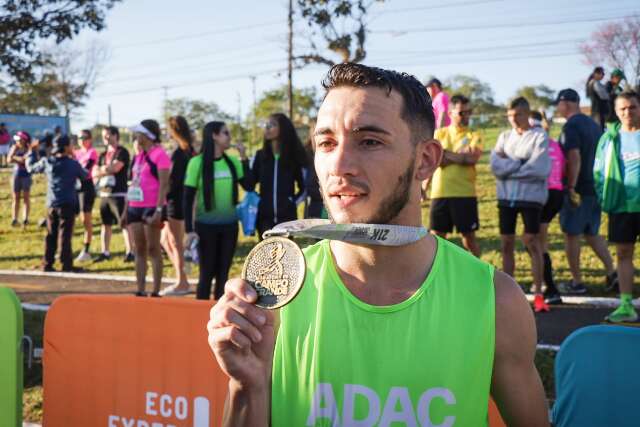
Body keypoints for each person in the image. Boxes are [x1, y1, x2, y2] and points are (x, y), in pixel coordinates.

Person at [207, 63, 549, 426]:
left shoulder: (495, 301)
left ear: (426, 159)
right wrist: (247, 385)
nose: (339, 164)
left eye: (369, 141)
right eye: (326, 143)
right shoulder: (274, 295)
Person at [554, 88, 618, 295]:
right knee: (591, 233)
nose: (558, 108)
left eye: (559, 104)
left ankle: (576, 282)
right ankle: (612, 272)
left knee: (571, 234)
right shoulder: (592, 124)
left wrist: (571, 187)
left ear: (566, 103)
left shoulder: (571, 126)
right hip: (595, 187)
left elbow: (574, 157)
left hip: (579, 188)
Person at [490, 97, 551, 313]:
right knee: (506, 243)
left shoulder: (539, 136)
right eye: (510, 116)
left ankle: (538, 294)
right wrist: (520, 163)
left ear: (527, 114)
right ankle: (509, 293)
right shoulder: (504, 137)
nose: (513, 120)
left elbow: (540, 169)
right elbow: (495, 166)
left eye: (517, 115)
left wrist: (509, 166)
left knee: (532, 242)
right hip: (506, 198)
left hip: (530, 199)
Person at [183, 121, 252, 300]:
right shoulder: (196, 163)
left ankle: (220, 318)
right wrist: (189, 231)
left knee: (223, 275)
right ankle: (200, 316)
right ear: (214, 135)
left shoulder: (233, 162)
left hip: (229, 227)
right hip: (205, 227)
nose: (229, 137)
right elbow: (188, 197)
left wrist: (244, 157)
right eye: (225, 133)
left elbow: (249, 185)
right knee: (206, 275)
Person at [594, 91, 640, 322]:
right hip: (621, 206)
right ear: (616, 111)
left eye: (632, 107)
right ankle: (625, 304)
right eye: (622, 108)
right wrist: (604, 197)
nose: (627, 112)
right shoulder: (610, 138)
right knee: (623, 253)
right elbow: (599, 171)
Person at [429, 94, 483, 256]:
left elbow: (472, 158)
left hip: (465, 193)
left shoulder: (475, 133)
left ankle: (478, 276)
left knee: (469, 239)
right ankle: (439, 277)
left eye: (469, 112)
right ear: (451, 113)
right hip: (440, 193)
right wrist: (461, 157)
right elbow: (436, 160)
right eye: (461, 113)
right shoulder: (439, 134)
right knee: (437, 239)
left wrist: (445, 154)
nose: (466, 116)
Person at [27, 135, 87, 272]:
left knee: (51, 234)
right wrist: (75, 157)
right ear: (66, 147)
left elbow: (31, 168)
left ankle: (47, 263)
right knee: (65, 235)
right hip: (67, 203)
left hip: (51, 204)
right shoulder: (72, 164)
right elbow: (84, 175)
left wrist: (31, 152)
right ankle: (66, 264)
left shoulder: (48, 161)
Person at [124, 120, 171, 297]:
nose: (136, 137)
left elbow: (164, 184)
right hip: (135, 207)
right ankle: (140, 289)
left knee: (153, 248)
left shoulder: (160, 155)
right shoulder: (139, 156)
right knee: (139, 248)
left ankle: (156, 290)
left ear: (148, 136)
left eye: (139, 134)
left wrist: (159, 210)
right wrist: (125, 209)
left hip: (152, 207)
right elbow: (133, 184)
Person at [251, 113, 306, 238]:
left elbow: (304, 187)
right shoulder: (260, 156)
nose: (267, 128)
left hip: (288, 219)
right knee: (265, 254)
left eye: (272, 124)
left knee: (286, 255)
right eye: (266, 125)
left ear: (283, 128)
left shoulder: (293, 156)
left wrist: (291, 202)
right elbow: (250, 185)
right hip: (264, 218)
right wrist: (261, 201)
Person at [529, 111, 564, 305]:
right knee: (538, 241)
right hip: (558, 192)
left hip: (542, 192)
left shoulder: (534, 142)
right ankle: (545, 285)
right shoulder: (553, 142)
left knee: (537, 243)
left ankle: (549, 288)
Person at [159, 116, 195, 296]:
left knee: (175, 241)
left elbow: (170, 179)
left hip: (177, 200)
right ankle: (182, 277)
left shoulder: (180, 152)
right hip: (175, 200)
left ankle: (182, 281)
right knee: (165, 240)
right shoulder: (187, 150)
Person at [93, 126, 134, 263]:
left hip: (119, 194)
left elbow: (116, 168)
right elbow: (94, 172)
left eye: (108, 135)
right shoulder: (103, 155)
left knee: (124, 224)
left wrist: (103, 169)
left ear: (116, 136)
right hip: (104, 194)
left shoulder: (122, 152)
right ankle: (105, 252)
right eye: (104, 135)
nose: (105, 138)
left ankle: (130, 252)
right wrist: (105, 169)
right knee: (105, 224)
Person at [74, 129, 99, 262]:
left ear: (90, 139)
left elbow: (86, 169)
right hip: (75, 187)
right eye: (79, 138)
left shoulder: (92, 152)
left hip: (86, 187)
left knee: (85, 219)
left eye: (85, 137)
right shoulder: (76, 153)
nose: (82, 140)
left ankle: (86, 249)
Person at [8, 131, 35, 227]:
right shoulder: (14, 147)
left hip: (26, 176)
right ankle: (14, 219)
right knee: (16, 198)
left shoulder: (29, 149)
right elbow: (9, 159)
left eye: (19, 139)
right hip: (16, 175)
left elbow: (30, 159)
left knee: (26, 198)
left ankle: (25, 219)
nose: (18, 141)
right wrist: (20, 159)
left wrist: (17, 158)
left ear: (24, 140)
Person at [586, 66, 609, 130]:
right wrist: (609, 95)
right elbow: (604, 96)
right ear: (596, 74)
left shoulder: (591, 82)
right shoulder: (595, 83)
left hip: (596, 111)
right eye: (602, 73)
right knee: (599, 130)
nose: (603, 76)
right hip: (598, 111)